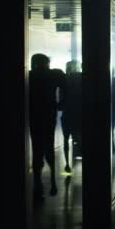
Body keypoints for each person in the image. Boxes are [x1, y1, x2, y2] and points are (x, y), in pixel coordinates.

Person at [29, 54, 66, 199]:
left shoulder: (30, 76)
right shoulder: (54, 74)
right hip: (48, 115)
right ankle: (52, 180)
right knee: (48, 146)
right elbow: (66, 89)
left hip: (34, 116)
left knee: (37, 147)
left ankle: (38, 182)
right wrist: (60, 104)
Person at [61, 60, 82, 173]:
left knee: (65, 139)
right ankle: (78, 153)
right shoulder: (81, 78)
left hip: (67, 113)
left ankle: (67, 164)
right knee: (78, 135)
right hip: (78, 113)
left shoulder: (64, 79)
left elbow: (61, 98)